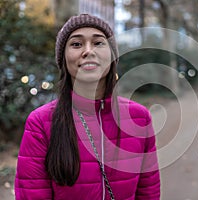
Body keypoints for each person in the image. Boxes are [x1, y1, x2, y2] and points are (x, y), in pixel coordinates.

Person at [14, 14, 160, 200]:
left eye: (98, 43)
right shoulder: (40, 123)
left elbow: (148, 192)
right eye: (76, 44)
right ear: (64, 59)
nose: (88, 51)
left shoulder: (139, 118)